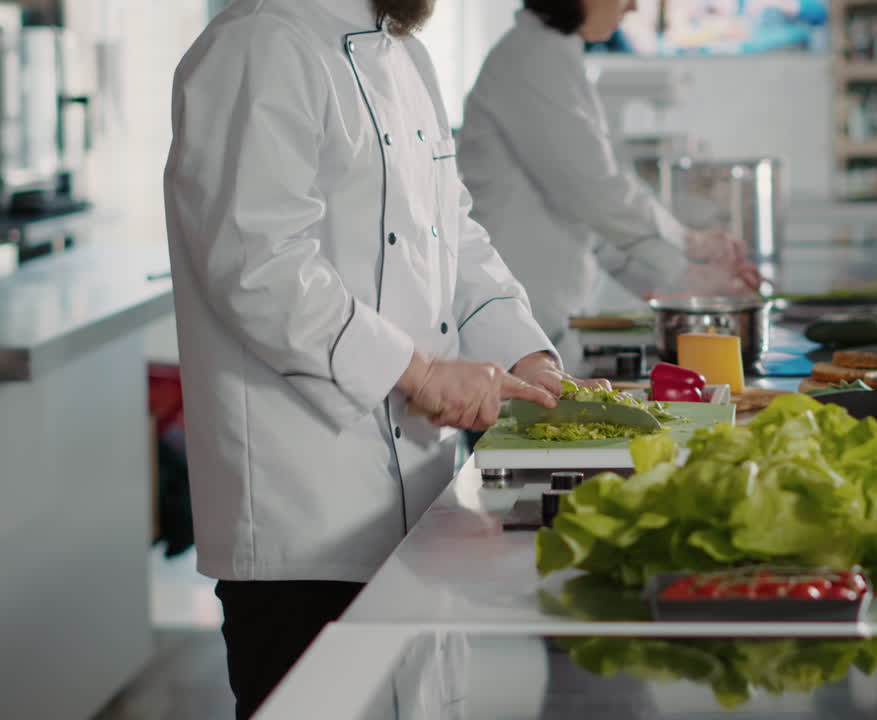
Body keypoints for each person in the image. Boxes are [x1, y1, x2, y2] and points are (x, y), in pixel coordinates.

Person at [163, 1, 588, 716]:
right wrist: (419, 372)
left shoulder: (406, 55)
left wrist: (530, 357)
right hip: (303, 514)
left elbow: (454, 234)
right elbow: (257, 264)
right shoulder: (257, 44)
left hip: (419, 494)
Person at [457, 0, 762, 373]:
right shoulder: (533, 58)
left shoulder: (555, 56)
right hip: (514, 334)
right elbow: (596, 193)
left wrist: (685, 279)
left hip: (540, 328)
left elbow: (593, 224)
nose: (633, 5)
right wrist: (688, 242)